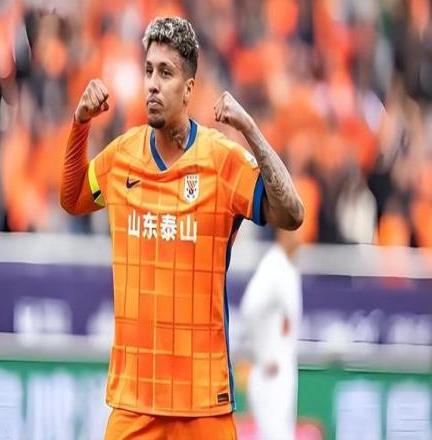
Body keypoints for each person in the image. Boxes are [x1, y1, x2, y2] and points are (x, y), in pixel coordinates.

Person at [60, 16, 304, 440]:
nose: (153, 85)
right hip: (134, 403)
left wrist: (250, 130)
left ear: (189, 88)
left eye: (166, 73)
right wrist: (81, 124)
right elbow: (73, 197)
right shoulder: (121, 157)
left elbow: (292, 213)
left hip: (203, 405)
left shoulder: (222, 161)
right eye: (148, 71)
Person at [240, 228, 303, 440]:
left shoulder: (286, 266)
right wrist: (264, 355)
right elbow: (250, 308)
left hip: (281, 365)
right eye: (295, 233)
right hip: (270, 371)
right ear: (282, 234)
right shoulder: (273, 266)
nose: (300, 240)